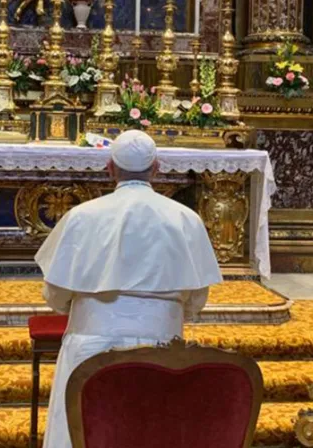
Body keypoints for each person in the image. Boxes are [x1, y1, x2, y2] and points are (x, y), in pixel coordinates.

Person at [35, 130, 223, 448]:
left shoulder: (81, 217)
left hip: (90, 348)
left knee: (86, 430)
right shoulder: (185, 219)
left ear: (109, 168)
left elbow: (56, 294)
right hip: (164, 347)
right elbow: (196, 300)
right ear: (156, 168)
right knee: (153, 429)